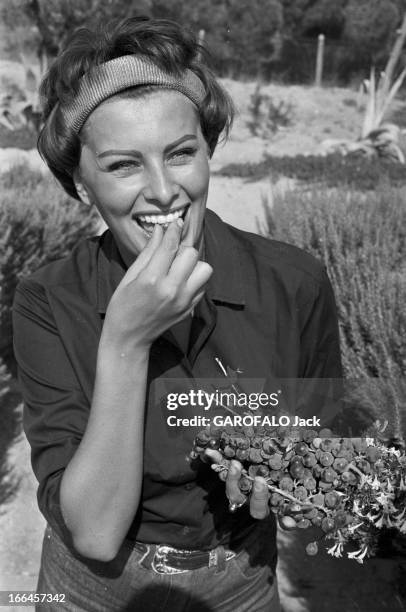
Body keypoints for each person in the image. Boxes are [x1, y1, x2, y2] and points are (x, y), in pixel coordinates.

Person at [12, 16, 342, 612]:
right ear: (82, 186)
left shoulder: (294, 282)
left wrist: (290, 467)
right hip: (91, 587)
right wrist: (126, 341)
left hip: (241, 581)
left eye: (181, 152)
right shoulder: (48, 300)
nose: (164, 191)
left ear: (208, 150)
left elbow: (318, 434)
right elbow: (93, 531)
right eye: (123, 165)